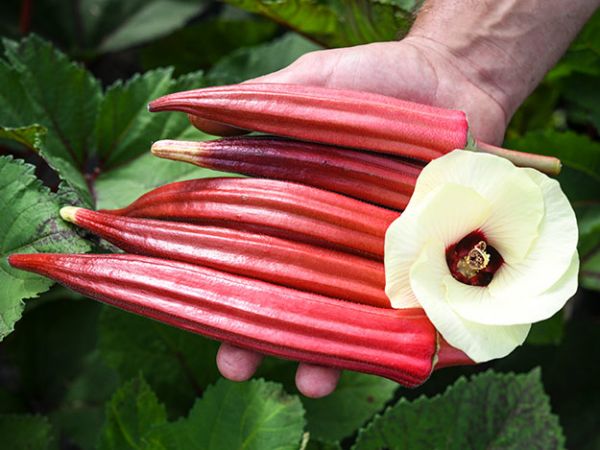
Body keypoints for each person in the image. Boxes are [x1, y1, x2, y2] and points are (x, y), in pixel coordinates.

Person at [191, 0, 600, 398]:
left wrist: (462, 62)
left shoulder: (459, 235)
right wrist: (460, 61)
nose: (475, 259)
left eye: (472, 263)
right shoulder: (450, 219)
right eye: (475, 258)